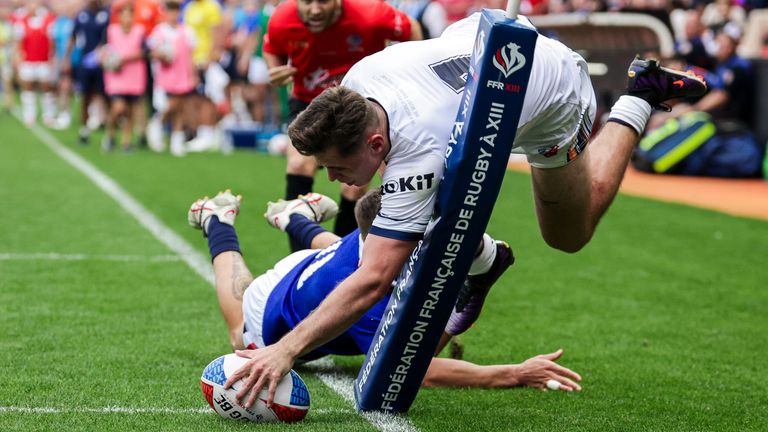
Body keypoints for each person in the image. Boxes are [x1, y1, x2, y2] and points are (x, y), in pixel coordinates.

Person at [222, 10, 708, 407]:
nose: (331, 177)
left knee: (567, 234)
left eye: (334, 165)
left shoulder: (419, 151)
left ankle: (640, 94)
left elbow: (374, 278)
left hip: (548, 87)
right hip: (482, 39)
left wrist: (285, 351)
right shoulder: (355, 88)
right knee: (406, 217)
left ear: (375, 142)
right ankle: (481, 262)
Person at [187, 189, 583, 392]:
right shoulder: (367, 306)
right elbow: (419, 369)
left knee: (351, 252)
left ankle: (293, 216)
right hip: (272, 304)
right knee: (239, 327)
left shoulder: (372, 238)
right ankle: (218, 221)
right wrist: (514, 373)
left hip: (325, 265)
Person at [263, 0, 423, 251]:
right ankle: (299, 256)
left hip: (360, 105)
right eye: (307, 2)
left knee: (355, 187)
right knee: (299, 163)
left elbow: (410, 28)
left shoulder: (371, 13)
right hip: (309, 101)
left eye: (323, 1)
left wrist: (408, 70)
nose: (315, 10)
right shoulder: (282, 18)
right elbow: (271, 47)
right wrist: (274, 70)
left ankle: (341, 255)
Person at [147, 0, 197, 156]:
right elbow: (152, 52)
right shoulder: (159, 31)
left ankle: (176, 140)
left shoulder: (187, 31)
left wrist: (193, 74)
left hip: (182, 75)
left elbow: (190, 56)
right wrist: (162, 55)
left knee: (180, 108)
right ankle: (157, 125)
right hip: (166, 76)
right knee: (170, 106)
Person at [102, 0, 147, 152]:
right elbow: (104, 50)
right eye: (124, 15)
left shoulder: (139, 32)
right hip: (116, 76)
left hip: (134, 76)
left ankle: (126, 140)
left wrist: (125, 58)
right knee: (118, 107)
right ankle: (110, 133)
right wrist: (109, 60)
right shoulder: (111, 31)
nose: (127, 19)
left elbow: (145, 51)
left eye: (130, 15)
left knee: (130, 110)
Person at [64, 0, 109, 145]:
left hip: (103, 64)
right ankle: (84, 130)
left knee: (105, 96)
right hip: (85, 63)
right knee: (85, 97)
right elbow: (73, 37)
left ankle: (107, 130)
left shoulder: (106, 14)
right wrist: (66, 59)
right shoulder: (82, 15)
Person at [14, 1, 56, 126]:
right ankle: (29, 114)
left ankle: (48, 114)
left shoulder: (47, 19)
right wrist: (17, 58)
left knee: (46, 87)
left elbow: (51, 41)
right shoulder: (21, 20)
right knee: (28, 86)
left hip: (43, 60)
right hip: (28, 60)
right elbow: (18, 41)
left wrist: (51, 57)